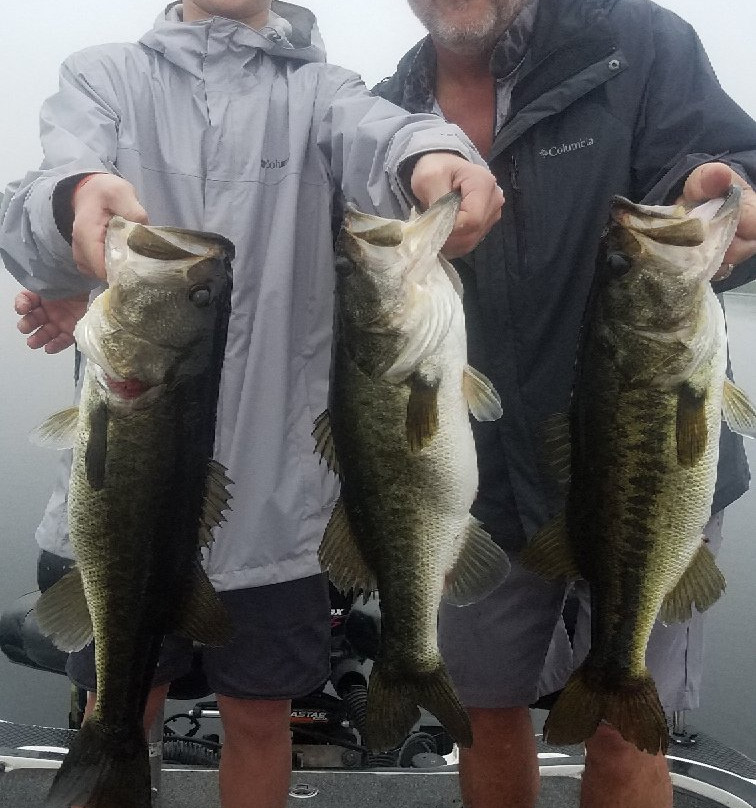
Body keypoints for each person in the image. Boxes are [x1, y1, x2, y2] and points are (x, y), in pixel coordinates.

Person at [0, 2, 504, 807]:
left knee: (263, 720)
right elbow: (34, 207)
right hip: (124, 491)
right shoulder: (104, 76)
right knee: (125, 700)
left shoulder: (322, 92)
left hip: (281, 506)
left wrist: (438, 156)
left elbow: (388, 136)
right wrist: (73, 199)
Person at [373, 1, 756, 807]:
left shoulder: (634, 43)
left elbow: (719, 163)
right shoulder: (386, 112)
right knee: (483, 715)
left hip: (650, 479)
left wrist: (729, 196)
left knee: (625, 730)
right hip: (475, 481)